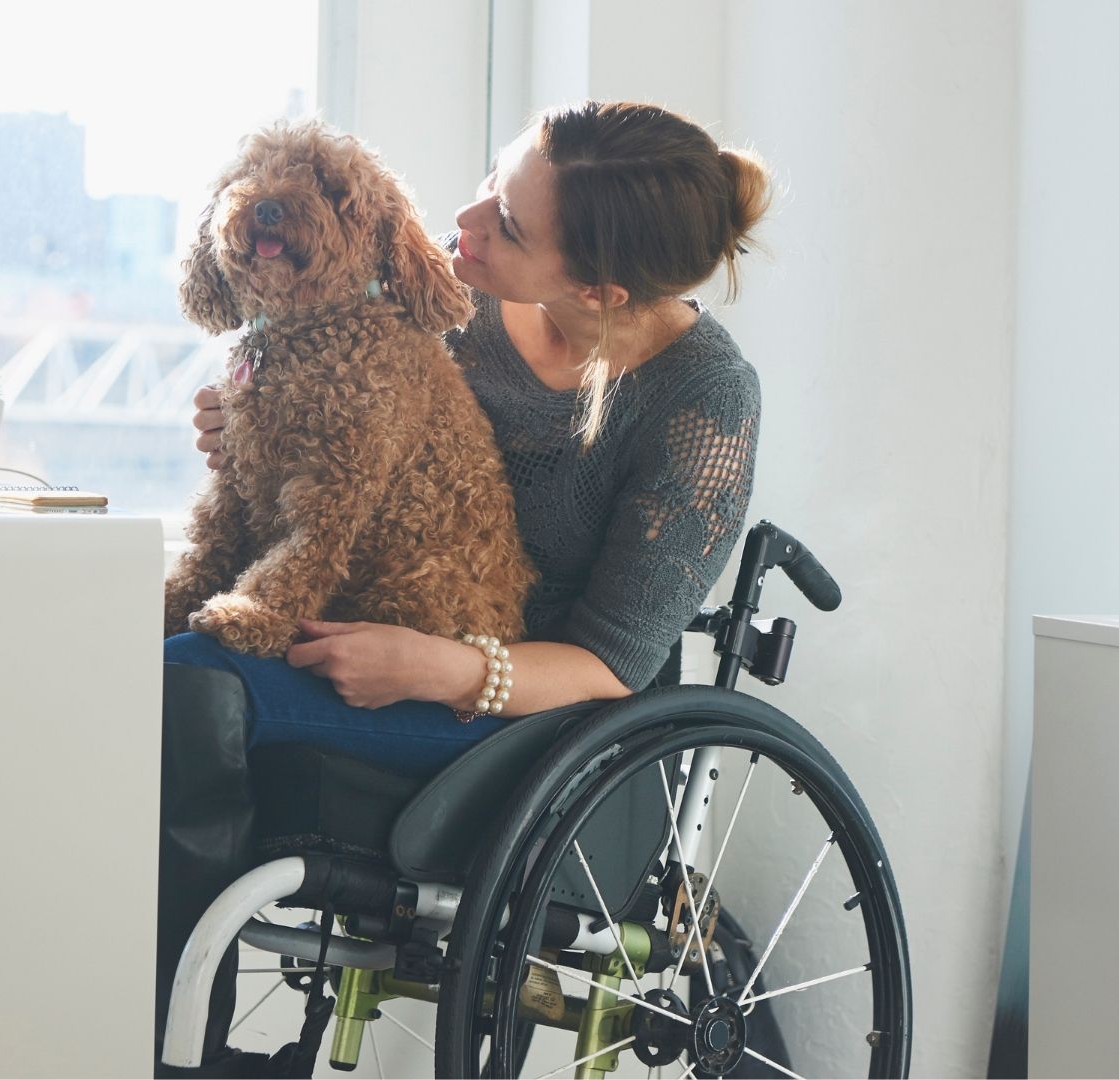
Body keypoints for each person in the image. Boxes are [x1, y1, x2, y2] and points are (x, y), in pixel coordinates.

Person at [155, 100, 769, 1072]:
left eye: (511, 226)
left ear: (602, 290)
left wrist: (434, 666)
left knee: (188, 680)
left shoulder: (702, 400)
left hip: (536, 725)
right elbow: (340, 406)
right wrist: (248, 432)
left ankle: (170, 1046)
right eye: (493, 179)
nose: (468, 222)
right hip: (369, 623)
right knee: (142, 656)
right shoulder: (454, 293)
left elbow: (614, 660)